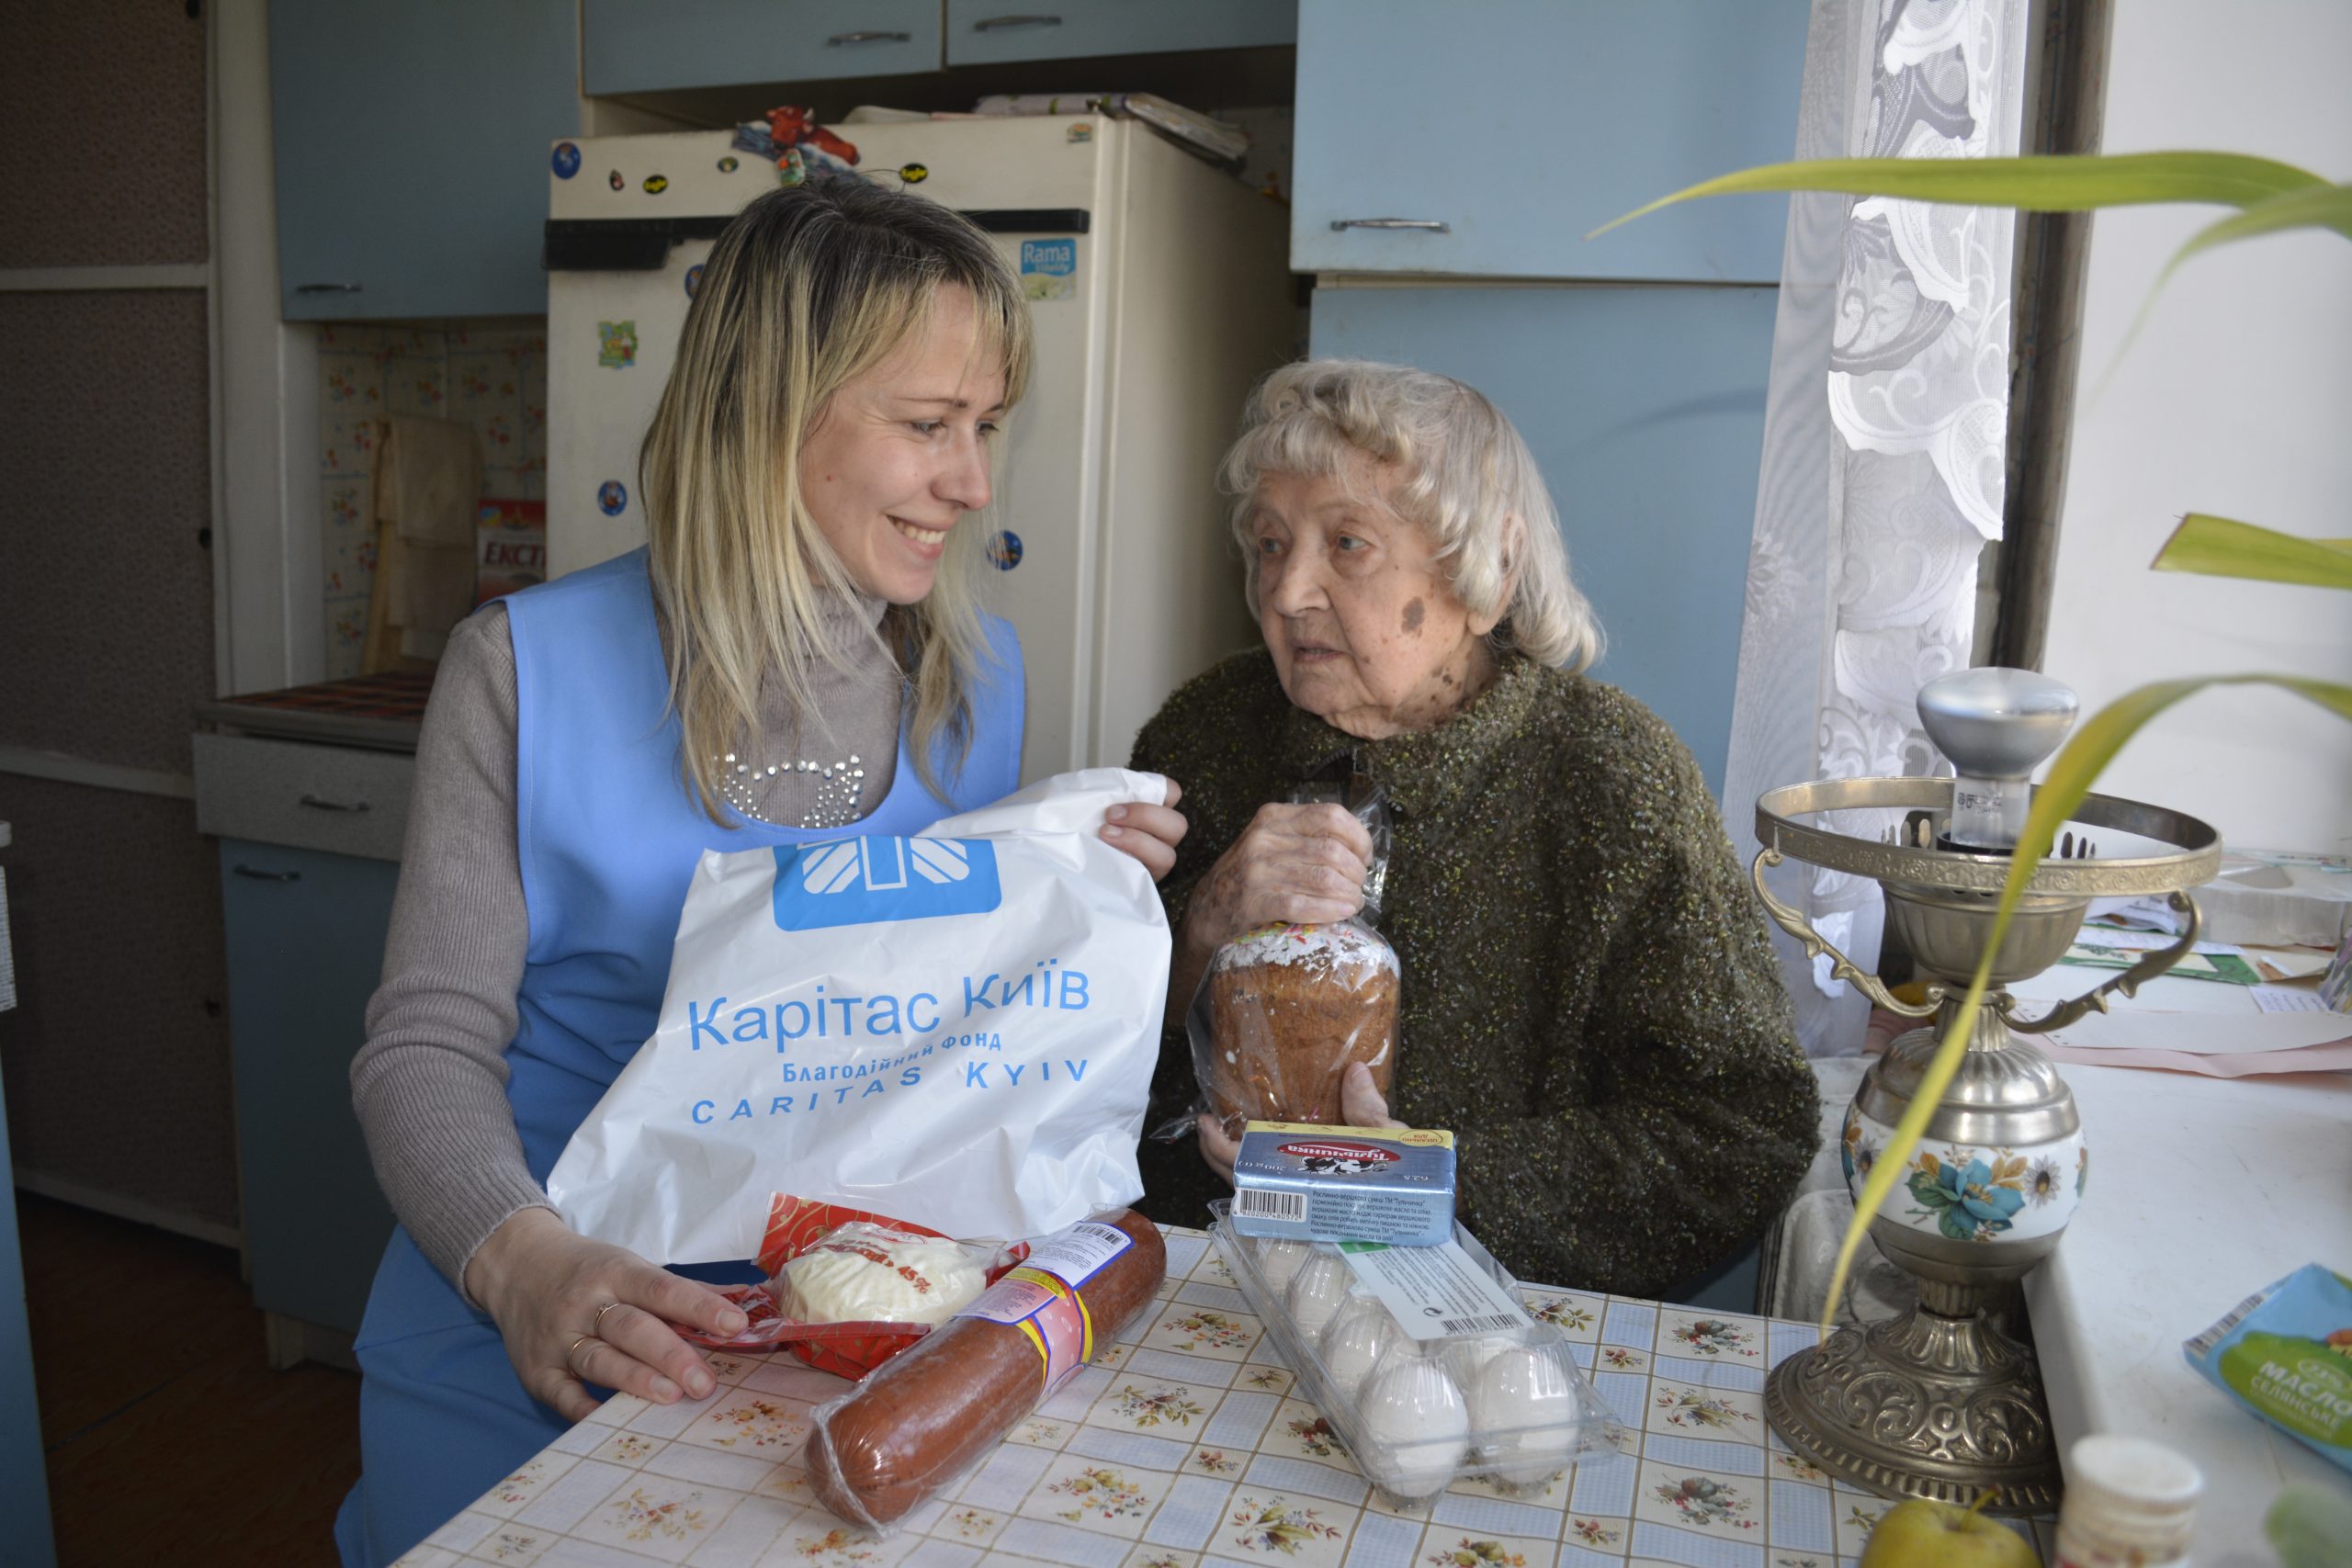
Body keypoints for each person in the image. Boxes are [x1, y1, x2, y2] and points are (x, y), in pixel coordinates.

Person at [335, 180, 1186, 1567]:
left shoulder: (976, 684)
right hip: (549, 1316)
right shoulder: (521, 670)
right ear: (769, 415)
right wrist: (521, 1260)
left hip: (846, 1335)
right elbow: (422, 1044)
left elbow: (941, 1040)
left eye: (985, 428)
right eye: (928, 425)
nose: (973, 483)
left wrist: (1057, 901)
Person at [1132, 359, 1817, 1298]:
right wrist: (1196, 933)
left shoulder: (1611, 778)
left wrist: (1423, 1181)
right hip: (1201, 1296)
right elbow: (1065, 1069)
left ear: (1487, 574)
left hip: (1485, 1324)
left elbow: (1739, 1133)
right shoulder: (1206, 736)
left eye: (1347, 543)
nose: (1286, 593)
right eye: (1270, 543)